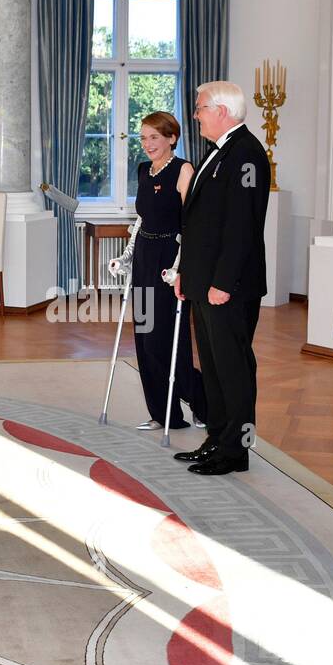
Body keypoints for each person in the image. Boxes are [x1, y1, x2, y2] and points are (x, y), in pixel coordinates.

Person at [173, 82, 271, 476]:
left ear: (221, 110)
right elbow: (198, 225)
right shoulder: (218, 153)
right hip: (204, 281)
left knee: (234, 370)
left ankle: (236, 451)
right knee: (212, 367)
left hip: (229, 286)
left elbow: (242, 228)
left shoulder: (246, 155)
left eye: (199, 108)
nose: (195, 115)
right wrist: (186, 274)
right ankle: (216, 439)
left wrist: (223, 283)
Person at [130, 111, 206, 431]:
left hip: (170, 261)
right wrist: (128, 254)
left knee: (168, 340)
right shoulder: (144, 171)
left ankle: (204, 404)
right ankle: (164, 414)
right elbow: (143, 219)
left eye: (155, 138)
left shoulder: (183, 170)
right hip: (145, 258)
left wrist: (182, 267)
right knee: (145, 338)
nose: (148, 144)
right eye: (144, 137)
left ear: (171, 138)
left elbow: (194, 223)